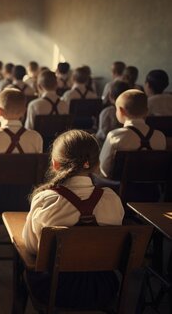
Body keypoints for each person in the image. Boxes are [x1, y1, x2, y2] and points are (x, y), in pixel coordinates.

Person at [22, 130, 124, 308]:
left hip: (56, 288)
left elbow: (31, 247)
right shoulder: (112, 199)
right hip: (102, 288)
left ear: (54, 164)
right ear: (95, 164)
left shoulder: (46, 199)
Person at [100, 89, 166, 179]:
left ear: (121, 111)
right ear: (146, 111)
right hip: (154, 191)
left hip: (120, 191)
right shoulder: (160, 137)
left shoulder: (114, 136)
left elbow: (104, 170)